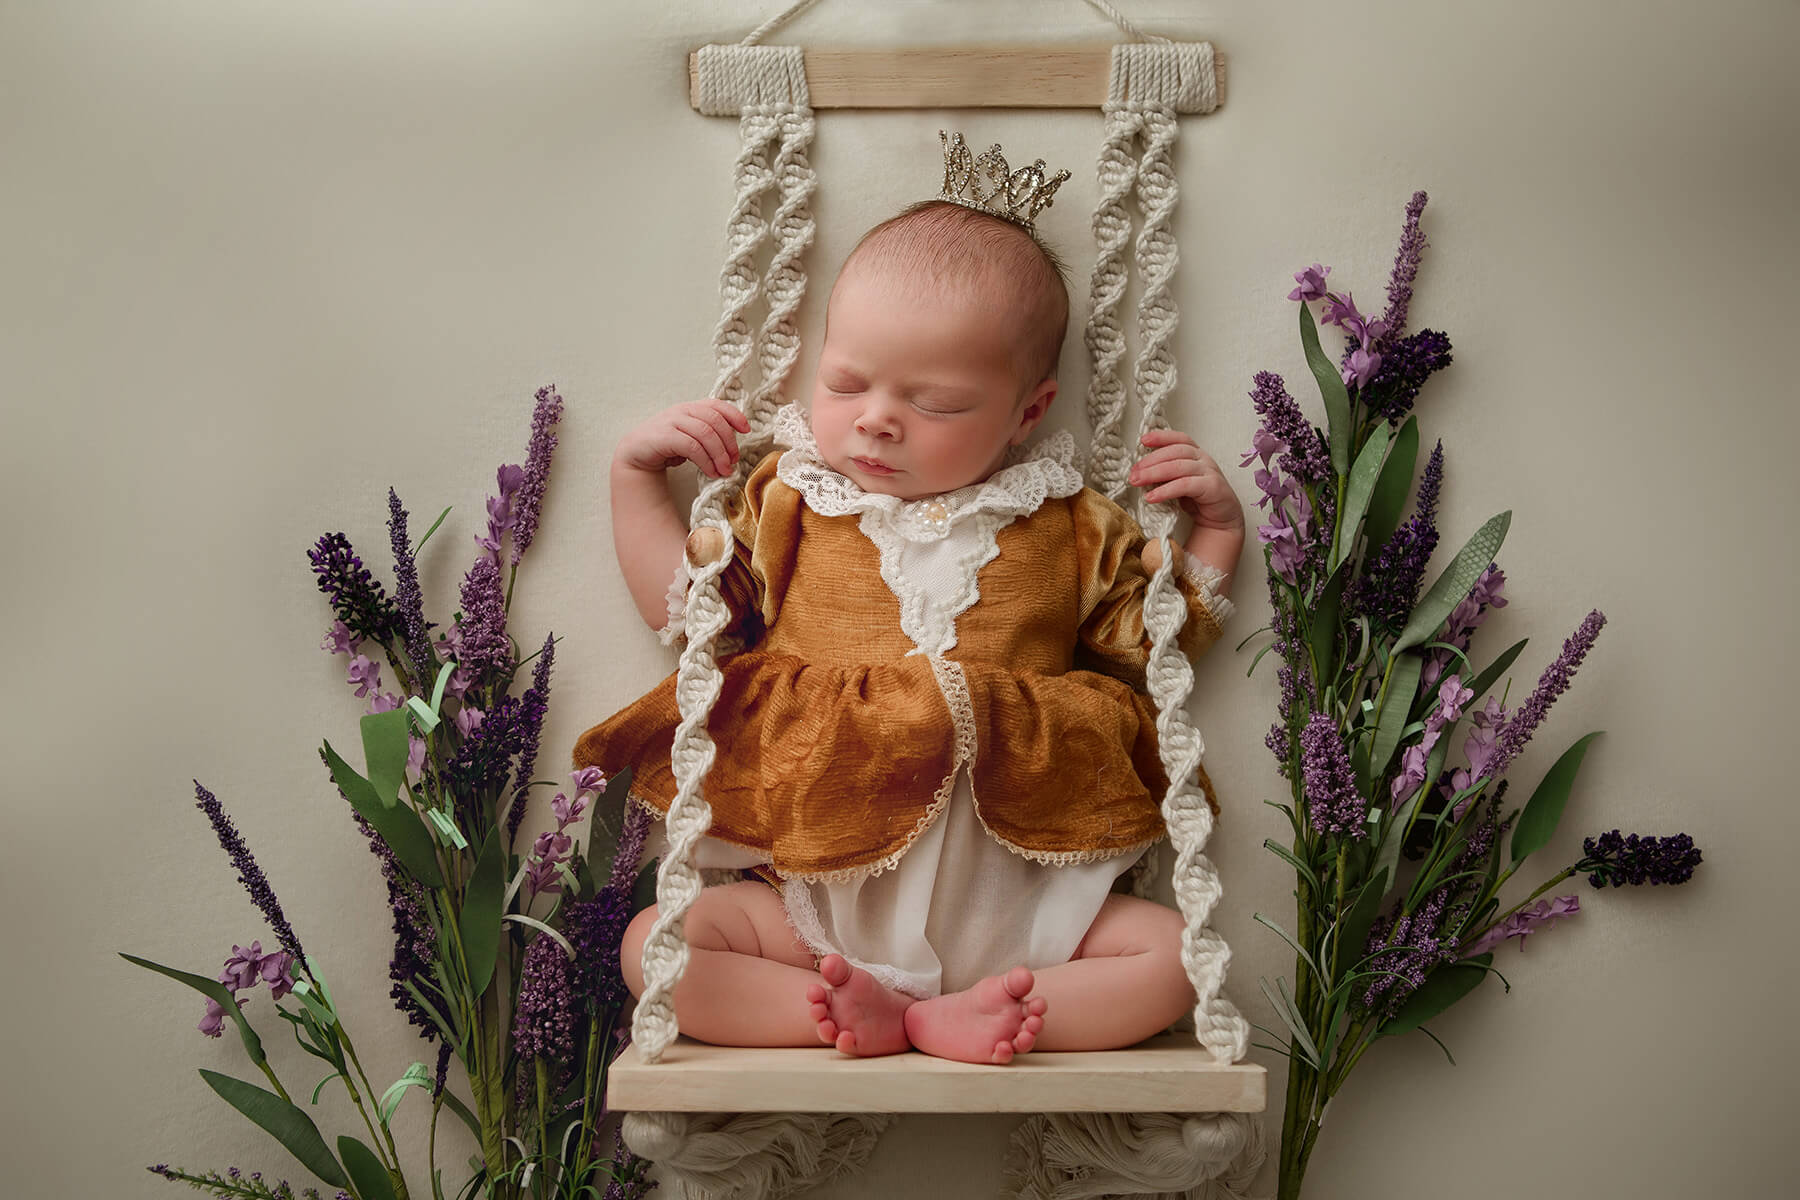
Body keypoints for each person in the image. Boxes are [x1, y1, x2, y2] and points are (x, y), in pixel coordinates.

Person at [580, 144, 1245, 1066]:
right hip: (814, 884)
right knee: (658, 944)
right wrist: (634, 483)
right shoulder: (795, 502)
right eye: (847, 383)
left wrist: (1213, 537)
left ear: (1029, 411)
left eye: (934, 402)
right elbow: (697, 620)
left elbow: (1149, 645)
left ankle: (965, 1011)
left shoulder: (1066, 521)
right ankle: (849, 1007)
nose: (876, 417)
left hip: (1022, 888)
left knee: (1179, 959)